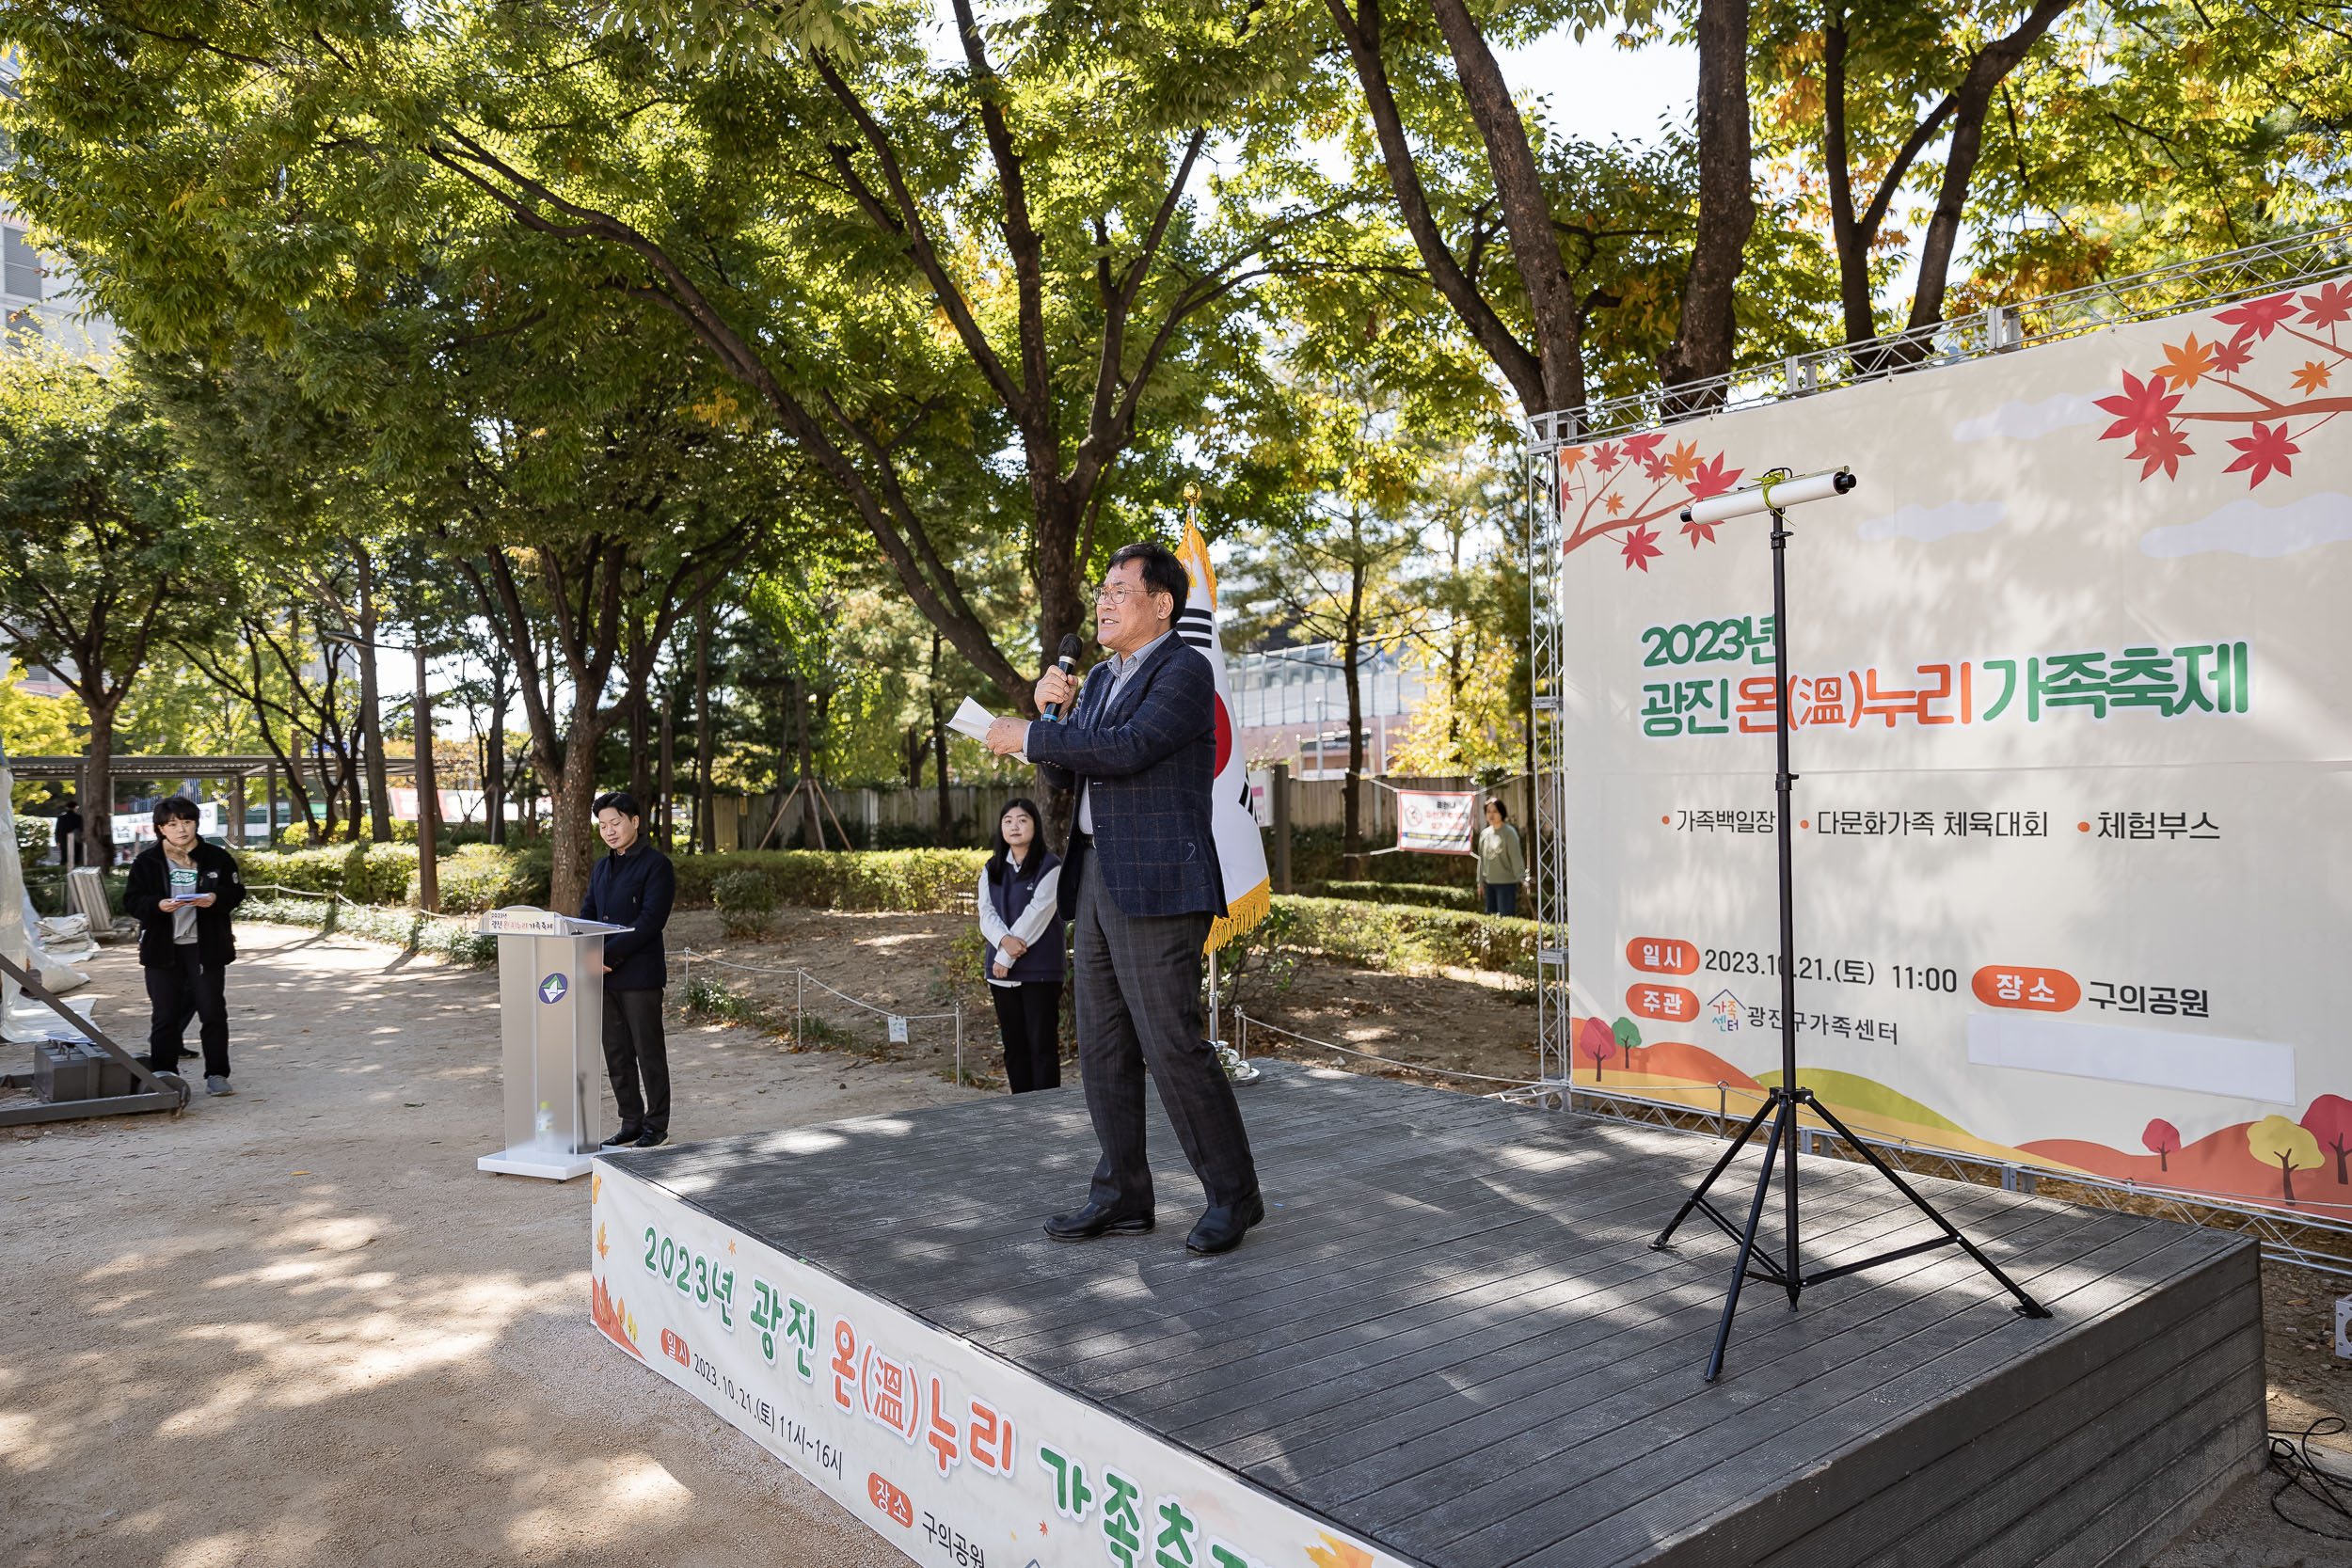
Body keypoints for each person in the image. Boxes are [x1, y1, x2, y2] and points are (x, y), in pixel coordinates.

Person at [986, 541, 1264, 1257]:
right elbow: (1069, 772)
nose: (1103, 602)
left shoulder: (1184, 669)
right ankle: (1122, 1194)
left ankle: (1234, 1194)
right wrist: (1049, 720)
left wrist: (1036, 736)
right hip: (1098, 877)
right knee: (1105, 1045)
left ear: (1161, 604)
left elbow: (1130, 749)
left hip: (1161, 880)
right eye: (1101, 591)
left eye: (1119, 590)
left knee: (1172, 1044)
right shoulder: (1102, 677)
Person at [122, 795, 246, 1094]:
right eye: (173, 824)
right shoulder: (147, 862)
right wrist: (157, 905)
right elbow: (132, 901)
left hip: (205, 948)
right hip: (162, 948)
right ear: (160, 828)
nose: (181, 829)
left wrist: (215, 899)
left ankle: (217, 1074)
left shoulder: (217, 857)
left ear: (195, 824)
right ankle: (165, 1075)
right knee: (164, 1015)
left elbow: (235, 891)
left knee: (212, 1013)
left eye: (187, 822)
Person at [581, 790, 676, 1149]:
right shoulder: (602, 867)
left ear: (635, 821)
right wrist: (585, 951)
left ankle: (657, 1126)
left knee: (648, 1050)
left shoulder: (656, 865)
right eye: (603, 825)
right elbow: (588, 914)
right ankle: (631, 1121)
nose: (609, 831)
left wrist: (609, 956)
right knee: (616, 1051)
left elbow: (651, 921)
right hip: (601, 975)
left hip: (639, 975)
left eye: (616, 822)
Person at [977, 798, 1065, 1093]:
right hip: (1000, 974)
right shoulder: (991, 869)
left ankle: (1047, 1110)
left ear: (1035, 825)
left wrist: (1005, 956)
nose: (1014, 826)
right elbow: (986, 913)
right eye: (1008, 820)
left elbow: (1037, 914)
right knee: (1013, 1046)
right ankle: (1022, 1110)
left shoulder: (1050, 866)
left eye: (1022, 819)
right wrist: (1003, 943)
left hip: (1040, 970)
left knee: (1042, 1045)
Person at [1478, 799, 1526, 918]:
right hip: (1489, 884)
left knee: (1505, 919)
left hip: (1506, 884)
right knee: (1490, 919)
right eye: (1488, 811)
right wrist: (1480, 882)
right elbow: (1481, 859)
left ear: (1502, 813)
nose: (1491, 815)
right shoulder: (1484, 834)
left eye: (1495, 811)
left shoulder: (1509, 833)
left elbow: (1516, 857)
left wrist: (1522, 878)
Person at [54, 795, 83, 867]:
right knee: (76, 859)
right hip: (76, 841)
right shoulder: (78, 818)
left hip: (64, 841)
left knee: (64, 858)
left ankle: (63, 873)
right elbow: (82, 829)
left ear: (67, 807)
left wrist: (57, 841)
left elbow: (57, 831)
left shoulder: (61, 818)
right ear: (75, 807)